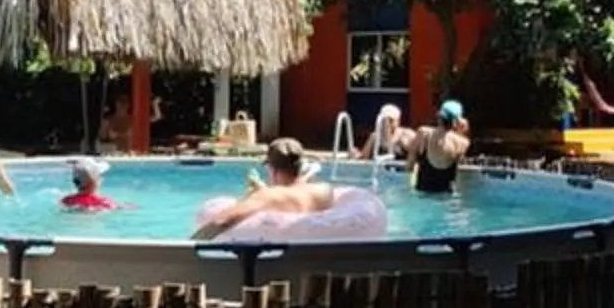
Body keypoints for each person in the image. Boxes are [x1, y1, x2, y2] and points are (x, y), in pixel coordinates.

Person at [194, 137, 388, 241]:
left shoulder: (267, 197)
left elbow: (220, 221)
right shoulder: (324, 190)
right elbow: (297, 192)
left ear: (272, 169)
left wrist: (189, 245)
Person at [409, 99, 470, 195]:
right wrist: (462, 132)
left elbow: (409, 165)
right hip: (446, 195)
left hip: (423, 193)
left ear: (439, 117)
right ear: (458, 120)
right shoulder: (463, 143)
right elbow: (459, 174)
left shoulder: (423, 133)